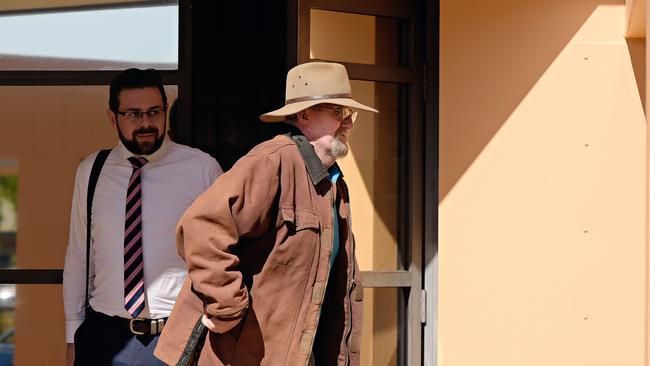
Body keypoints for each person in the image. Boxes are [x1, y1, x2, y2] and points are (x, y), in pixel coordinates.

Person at [154, 61, 378, 366]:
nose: (348, 123)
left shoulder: (334, 184)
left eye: (349, 114)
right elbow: (200, 228)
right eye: (338, 112)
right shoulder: (272, 161)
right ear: (304, 115)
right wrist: (228, 308)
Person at [63, 68, 223, 366]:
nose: (146, 123)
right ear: (113, 117)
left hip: (176, 337)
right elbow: (79, 258)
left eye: (154, 111)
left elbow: (223, 255)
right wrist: (73, 336)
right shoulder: (92, 170)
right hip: (103, 337)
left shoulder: (202, 169)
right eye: (134, 114)